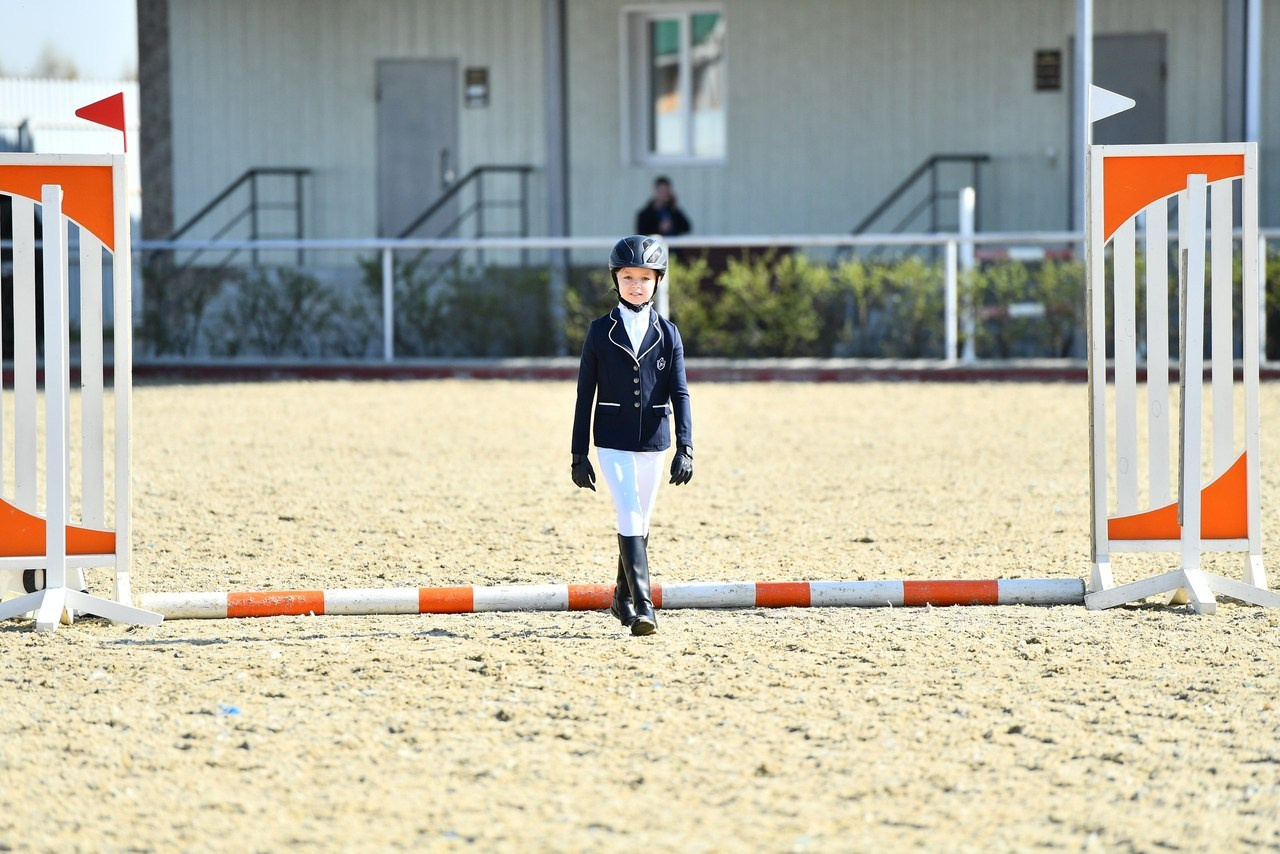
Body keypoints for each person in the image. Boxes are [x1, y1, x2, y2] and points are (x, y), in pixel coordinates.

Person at [570, 235, 693, 636]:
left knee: (642, 520)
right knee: (629, 513)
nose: (636, 285)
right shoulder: (598, 331)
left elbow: (680, 392)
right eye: (627, 277)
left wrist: (686, 447)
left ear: (657, 281)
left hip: (655, 441)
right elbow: (584, 394)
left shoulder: (669, 333)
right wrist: (578, 453)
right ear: (616, 279)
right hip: (611, 439)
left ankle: (620, 597)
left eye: (644, 278)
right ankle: (643, 606)